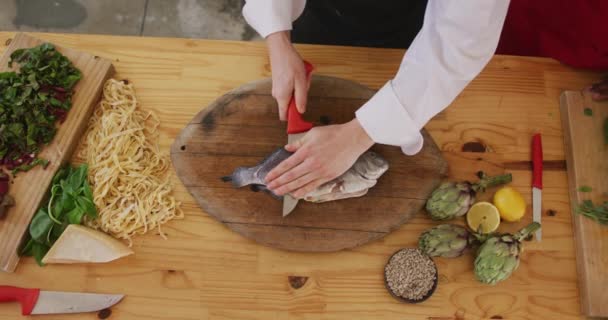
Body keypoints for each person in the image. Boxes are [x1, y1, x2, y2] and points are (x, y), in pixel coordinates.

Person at [241, 1, 511, 198]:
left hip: (406, 38)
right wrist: (277, 37)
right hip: (317, 17)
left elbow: (460, 41)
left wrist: (358, 135)